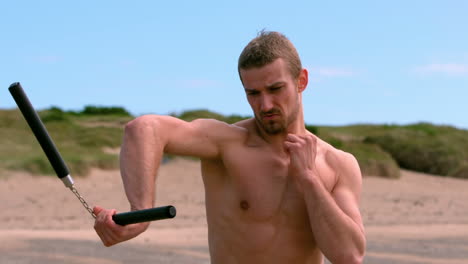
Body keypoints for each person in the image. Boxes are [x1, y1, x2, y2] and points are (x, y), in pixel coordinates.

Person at [93, 31, 366, 264]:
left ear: (301, 81)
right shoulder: (226, 144)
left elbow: (349, 256)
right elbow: (143, 129)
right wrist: (140, 213)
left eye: (275, 89)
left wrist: (309, 178)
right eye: (254, 93)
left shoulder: (337, 165)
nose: (266, 105)